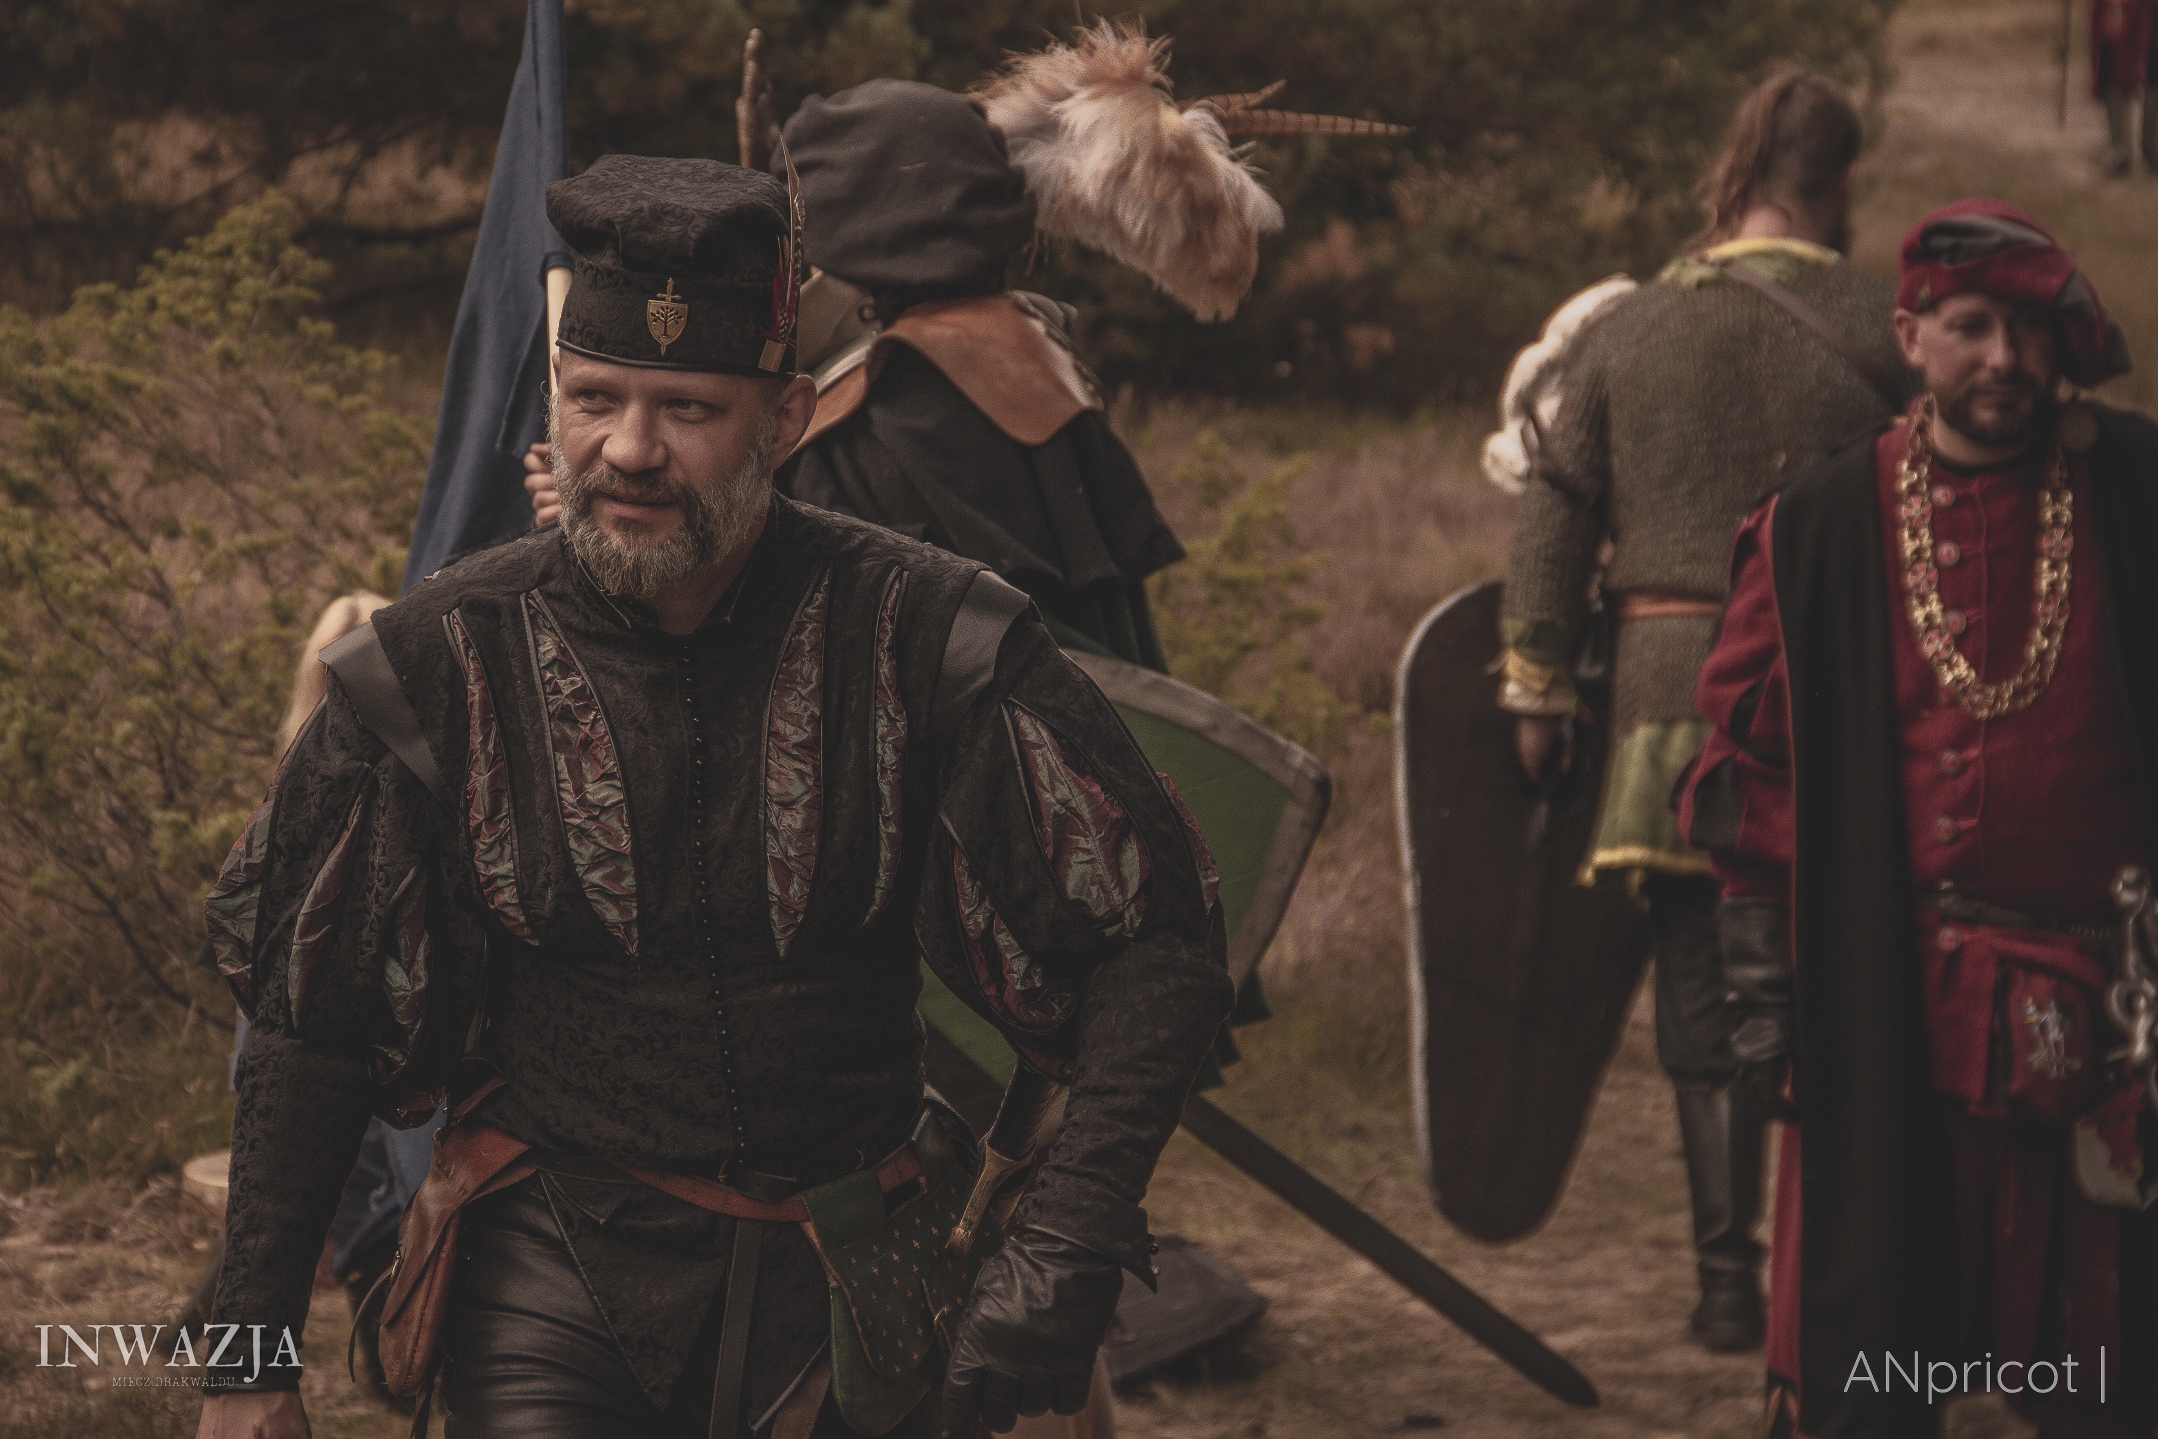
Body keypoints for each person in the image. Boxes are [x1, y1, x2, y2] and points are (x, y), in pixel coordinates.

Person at [194, 154, 1231, 1439]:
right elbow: (308, 1025)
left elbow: (1154, 945)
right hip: (553, 1265)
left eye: (687, 407)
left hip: (860, 1257)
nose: (630, 450)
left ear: (785, 419)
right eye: (594, 399)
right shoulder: (434, 663)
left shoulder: (929, 635)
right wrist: (245, 1361)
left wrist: (1070, 1231)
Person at [1678, 197, 2155, 1438]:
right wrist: (1768, 1009)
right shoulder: (1817, 524)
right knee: (1878, 1367)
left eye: (2030, 329)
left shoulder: (2137, 496)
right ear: (1910, 335)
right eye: (1971, 326)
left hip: (2118, 1008)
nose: (2005, 358)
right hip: (1886, 1008)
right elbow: (1753, 782)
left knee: (2110, 1377)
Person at [1493, 72, 1911, 1351]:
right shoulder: (1887, 327)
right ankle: (1830, 1270)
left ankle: (1727, 1281)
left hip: (1671, 702)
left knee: (1699, 989)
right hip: (1843, 703)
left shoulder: (1631, 324)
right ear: (1841, 181)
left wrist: (1534, 686)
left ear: (1735, 172)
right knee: (1842, 983)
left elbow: (1554, 507)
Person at [2094, 0, 2155, 176]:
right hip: (2116, 36)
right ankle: (2120, 149)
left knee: (2146, 81)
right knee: (2114, 82)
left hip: (2144, 28)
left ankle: (2148, 148)